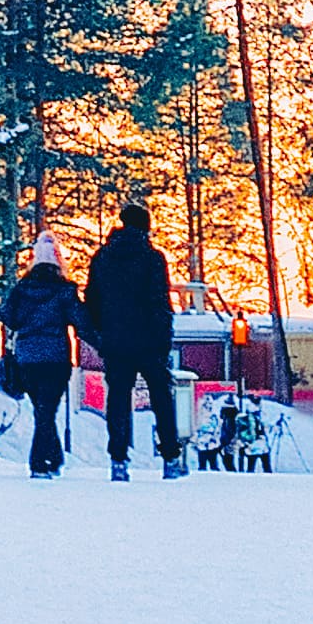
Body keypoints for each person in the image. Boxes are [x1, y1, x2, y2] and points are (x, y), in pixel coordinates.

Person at [85, 199, 185, 483]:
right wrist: (165, 339)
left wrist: (99, 335)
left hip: (115, 341)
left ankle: (118, 459)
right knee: (162, 397)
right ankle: (170, 457)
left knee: (117, 398)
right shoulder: (153, 258)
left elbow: (91, 299)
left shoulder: (102, 258)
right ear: (146, 227)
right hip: (150, 341)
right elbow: (160, 302)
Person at [0, 240, 82, 477]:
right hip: (56, 358)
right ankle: (39, 463)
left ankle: (53, 459)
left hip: (28, 358)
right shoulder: (65, 290)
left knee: (42, 410)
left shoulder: (21, 289)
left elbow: (8, 317)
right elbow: (81, 321)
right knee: (47, 410)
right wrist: (102, 343)